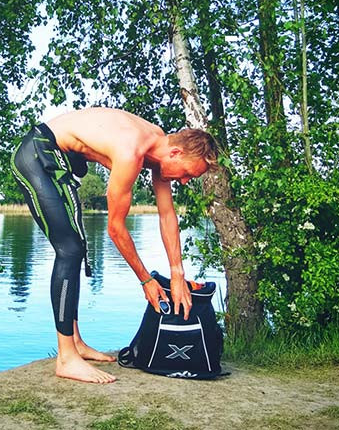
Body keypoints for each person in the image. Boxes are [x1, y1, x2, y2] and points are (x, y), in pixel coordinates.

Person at [11, 106, 217, 383]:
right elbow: (115, 228)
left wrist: (177, 273)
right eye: (187, 175)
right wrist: (146, 281)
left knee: (76, 248)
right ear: (176, 153)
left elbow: (167, 215)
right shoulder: (131, 151)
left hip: (57, 159)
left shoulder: (158, 148)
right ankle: (66, 358)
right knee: (69, 250)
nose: (183, 181)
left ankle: (76, 343)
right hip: (37, 154)